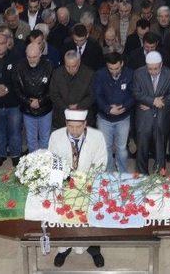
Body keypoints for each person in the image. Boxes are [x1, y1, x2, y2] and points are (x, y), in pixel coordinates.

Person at [49, 109, 107, 268]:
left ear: (85, 124)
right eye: (71, 127)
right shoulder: (56, 136)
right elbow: (54, 162)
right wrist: (65, 181)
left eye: (78, 127)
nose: (74, 131)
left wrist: (86, 182)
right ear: (66, 124)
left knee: (89, 218)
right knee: (64, 217)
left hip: (88, 184)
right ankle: (64, 248)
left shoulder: (97, 136)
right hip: (65, 184)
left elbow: (101, 163)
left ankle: (93, 248)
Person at [132, 51, 170, 174]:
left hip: (162, 117)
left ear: (161, 65)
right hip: (144, 118)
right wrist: (153, 101)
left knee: (160, 149)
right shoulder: (138, 73)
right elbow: (136, 93)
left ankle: (158, 176)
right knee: (142, 148)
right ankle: (141, 175)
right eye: (150, 69)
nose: (153, 72)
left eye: (156, 68)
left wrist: (154, 104)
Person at [93, 52, 134, 173]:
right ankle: (109, 172)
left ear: (122, 63)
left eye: (116, 68)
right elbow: (97, 95)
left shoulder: (130, 74)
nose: (114, 71)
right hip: (104, 119)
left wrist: (124, 107)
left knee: (121, 148)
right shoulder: (100, 75)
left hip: (123, 118)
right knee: (106, 148)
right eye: (110, 68)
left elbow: (133, 95)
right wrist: (108, 109)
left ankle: (122, 172)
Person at [13, 43, 54, 151]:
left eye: (34, 57)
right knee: (31, 140)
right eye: (29, 57)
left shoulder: (49, 65)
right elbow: (16, 89)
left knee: (45, 139)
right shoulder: (19, 66)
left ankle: (44, 164)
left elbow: (53, 89)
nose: (31, 60)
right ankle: (33, 165)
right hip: (27, 108)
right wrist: (28, 101)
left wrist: (40, 101)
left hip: (45, 109)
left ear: (40, 54)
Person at [0, 33, 23, 167]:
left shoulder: (16, 58)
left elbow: (20, 79)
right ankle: (0, 154)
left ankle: (16, 155)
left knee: (14, 131)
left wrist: (7, 88)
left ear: (7, 43)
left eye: (1, 43)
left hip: (13, 103)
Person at [50, 50, 94, 129]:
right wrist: (66, 107)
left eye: (74, 66)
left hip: (83, 118)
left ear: (79, 62)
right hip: (61, 119)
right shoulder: (57, 73)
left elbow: (92, 95)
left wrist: (78, 106)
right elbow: (54, 94)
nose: (70, 69)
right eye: (67, 66)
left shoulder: (89, 74)